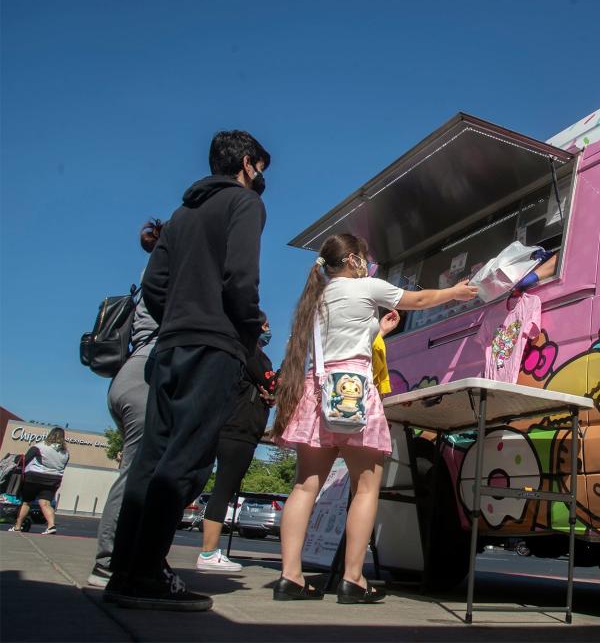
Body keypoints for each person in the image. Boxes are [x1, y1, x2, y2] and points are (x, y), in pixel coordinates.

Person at [105, 130, 270, 612]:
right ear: (245, 163)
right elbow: (242, 277)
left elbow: (156, 284)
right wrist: (246, 327)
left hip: (171, 344)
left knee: (151, 459)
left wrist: (180, 313)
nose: (262, 177)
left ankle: (125, 568)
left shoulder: (181, 214)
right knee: (188, 461)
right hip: (213, 346)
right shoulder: (244, 205)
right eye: (260, 166)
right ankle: (148, 573)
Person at [271, 233, 477, 602]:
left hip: (317, 391)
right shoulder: (366, 286)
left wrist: (378, 331)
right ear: (352, 259)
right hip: (355, 394)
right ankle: (353, 579)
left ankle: (290, 576)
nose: (367, 262)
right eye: (363, 256)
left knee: (304, 487)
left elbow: (340, 342)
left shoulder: (315, 298)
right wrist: (455, 293)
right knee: (366, 487)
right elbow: (420, 299)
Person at [87, 220, 164, 587]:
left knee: (137, 473)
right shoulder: (166, 268)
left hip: (128, 376)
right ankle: (108, 562)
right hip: (145, 379)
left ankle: (122, 556)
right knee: (135, 475)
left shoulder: (152, 268)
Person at [196, 319, 276, 572]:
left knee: (214, 486)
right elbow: (273, 384)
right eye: (265, 325)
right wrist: (287, 370)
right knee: (224, 490)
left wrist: (267, 394)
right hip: (239, 430)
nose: (268, 330)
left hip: (223, 426)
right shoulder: (251, 352)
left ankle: (207, 550)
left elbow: (265, 389)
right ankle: (208, 553)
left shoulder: (231, 353)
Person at [10, 427, 69, 534]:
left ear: (50, 435)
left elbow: (24, 460)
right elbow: (62, 466)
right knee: (45, 503)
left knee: (26, 502)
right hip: (53, 480)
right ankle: (51, 526)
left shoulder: (39, 447)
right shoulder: (65, 453)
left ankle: (18, 526)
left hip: (34, 478)